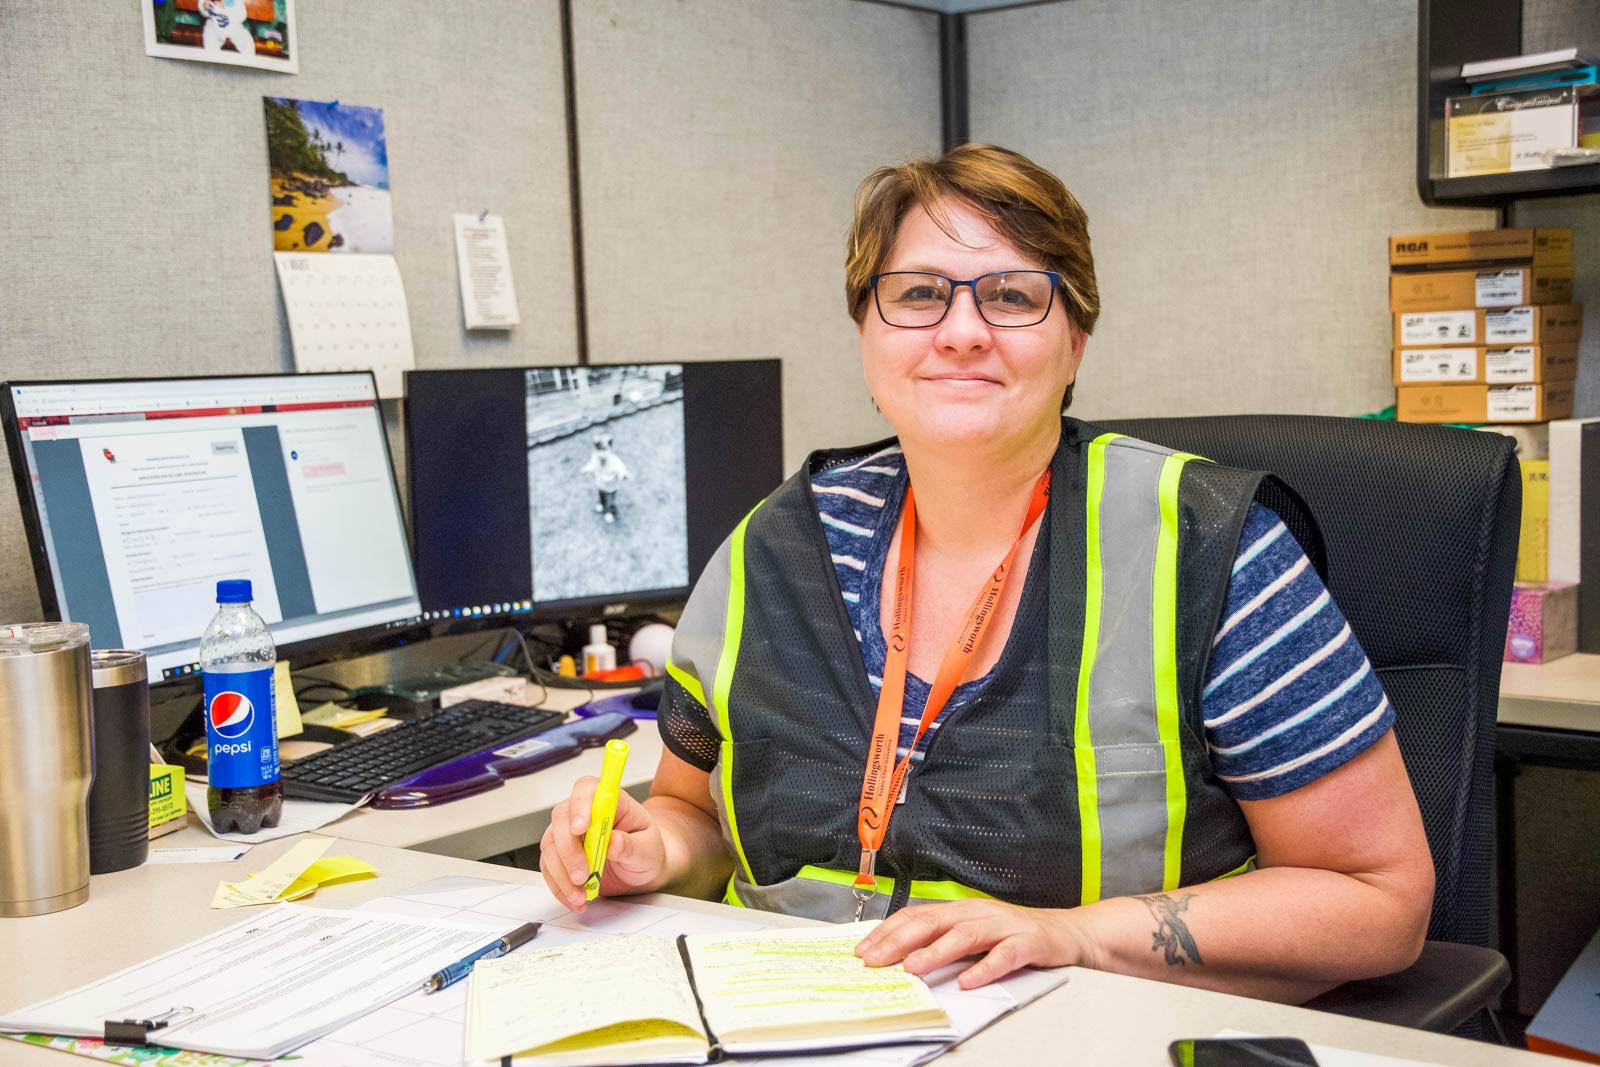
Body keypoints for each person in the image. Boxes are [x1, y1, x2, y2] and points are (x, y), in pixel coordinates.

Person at [540, 144, 1434, 1004]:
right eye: (919, 294)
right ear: (866, 330)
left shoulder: (1209, 549)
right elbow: (695, 817)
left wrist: (1081, 934)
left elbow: (1377, 901)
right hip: (785, 1019)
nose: (961, 331)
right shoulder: (771, 546)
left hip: (1086, 1027)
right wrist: (646, 850)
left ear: (1076, 340)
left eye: (1012, 296)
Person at [578, 430, 631, 524]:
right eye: (598, 450)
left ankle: (610, 512)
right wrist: (587, 469)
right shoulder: (595, 457)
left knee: (610, 501)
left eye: (604, 450)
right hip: (600, 484)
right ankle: (601, 504)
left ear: (610, 448)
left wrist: (623, 475)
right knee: (601, 495)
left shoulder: (614, 461)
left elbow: (621, 469)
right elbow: (592, 465)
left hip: (611, 487)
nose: (601, 454)